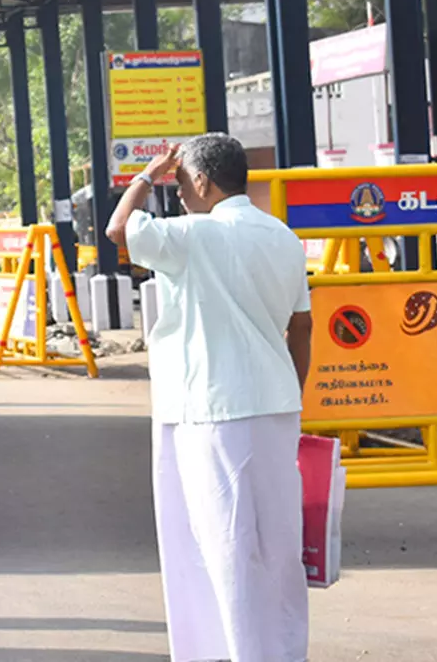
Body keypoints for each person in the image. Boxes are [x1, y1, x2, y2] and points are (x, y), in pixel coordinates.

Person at [105, 134, 311, 662]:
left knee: (220, 545)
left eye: (179, 182)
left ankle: (227, 652)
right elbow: (302, 328)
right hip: (276, 405)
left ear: (202, 181)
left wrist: (146, 174)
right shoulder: (283, 237)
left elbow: (118, 230)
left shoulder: (192, 235)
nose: (176, 193)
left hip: (212, 410)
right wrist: (291, 392)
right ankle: (283, 652)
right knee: (278, 548)